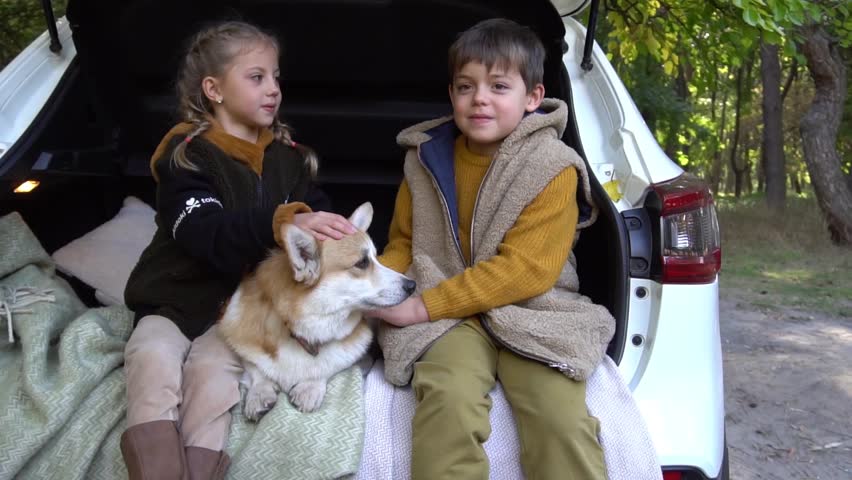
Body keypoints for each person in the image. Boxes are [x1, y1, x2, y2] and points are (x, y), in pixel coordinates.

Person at [369, 18, 616, 480]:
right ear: (452, 95)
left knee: (557, 416)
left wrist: (422, 307)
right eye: (466, 87)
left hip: (532, 310)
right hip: (451, 318)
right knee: (448, 398)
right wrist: (371, 290)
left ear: (533, 97)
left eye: (499, 86)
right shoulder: (424, 159)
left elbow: (527, 270)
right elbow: (404, 243)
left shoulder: (553, 166)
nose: (479, 98)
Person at [121, 21, 355, 480]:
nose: (274, 89)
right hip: (169, 302)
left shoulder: (290, 159)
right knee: (152, 356)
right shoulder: (186, 155)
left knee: (213, 378)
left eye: (276, 77)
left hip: (238, 315)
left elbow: (324, 226)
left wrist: (342, 241)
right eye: (256, 77)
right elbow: (204, 233)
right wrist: (282, 222)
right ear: (214, 90)